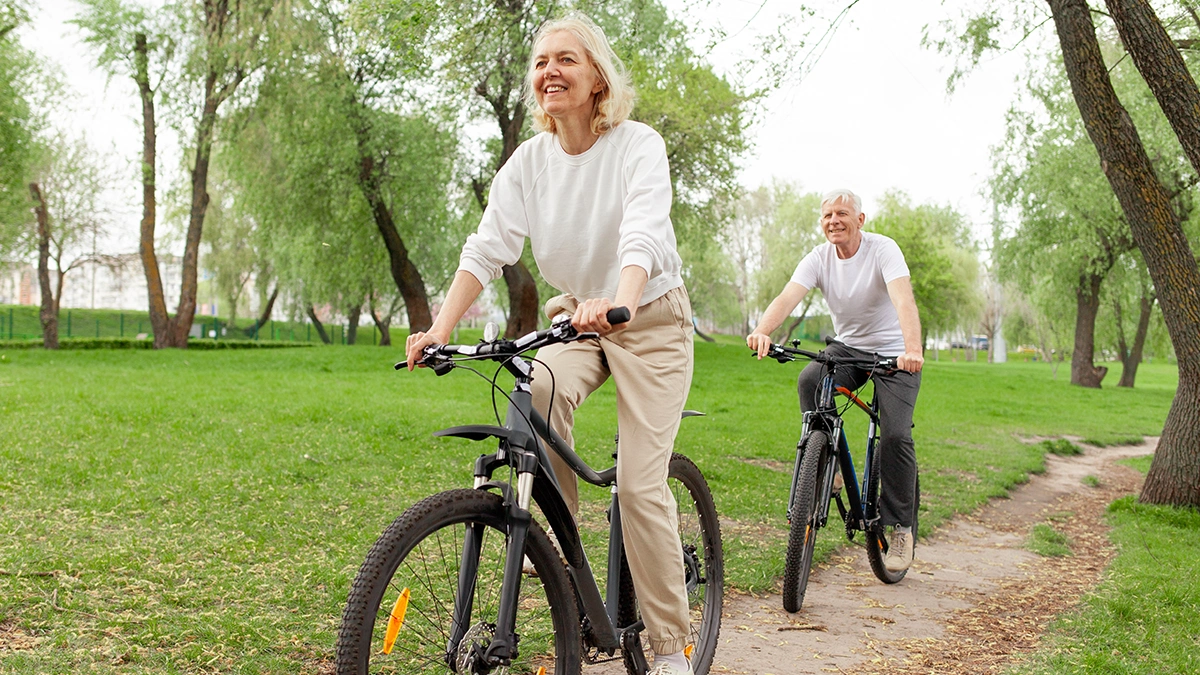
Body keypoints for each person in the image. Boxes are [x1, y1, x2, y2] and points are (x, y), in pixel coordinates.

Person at [405, 14, 697, 675]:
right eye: (540, 62)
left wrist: (618, 300)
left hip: (647, 319)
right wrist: (440, 329)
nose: (549, 71)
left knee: (641, 486)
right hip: (577, 318)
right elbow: (486, 247)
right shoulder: (531, 162)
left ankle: (670, 644)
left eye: (566, 59)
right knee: (533, 390)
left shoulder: (637, 145)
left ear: (596, 77)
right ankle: (571, 569)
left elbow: (643, 237)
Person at [747, 189, 923, 573]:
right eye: (827, 215)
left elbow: (903, 300)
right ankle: (831, 464)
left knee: (894, 435)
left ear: (860, 220)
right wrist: (762, 330)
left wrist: (912, 349)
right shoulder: (819, 258)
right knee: (810, 380)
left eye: (842, 214)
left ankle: (901, 527)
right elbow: (787, 296)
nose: (833, 221)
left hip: (894, 354)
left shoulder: (883, 250)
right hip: (849, 348)